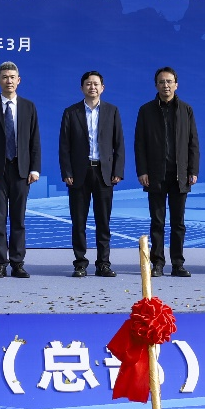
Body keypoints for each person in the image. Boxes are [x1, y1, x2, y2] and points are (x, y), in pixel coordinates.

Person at [133, 67, 200, 278]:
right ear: (156, 85)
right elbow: (140, 144)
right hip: (155, 175)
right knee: (157, 222)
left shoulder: (186, 110)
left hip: (180, 175)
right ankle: (158, 263)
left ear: (176, 85)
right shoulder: (146, 110)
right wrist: (142, 171)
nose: (166, 85)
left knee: (178, 223)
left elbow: (193, 143)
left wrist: (193, 170)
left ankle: (178, 264)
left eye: (169, 81)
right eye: (161, 82)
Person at [0, 61, 41, 278]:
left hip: (21, 171)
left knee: (18, 219)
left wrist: (35, 169)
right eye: (5, 77)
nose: (9, 81)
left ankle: (17, 263)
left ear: (19, 80)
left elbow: (34, 140)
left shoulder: (29, 107)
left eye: (12, 77)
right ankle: (0, 263)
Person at [58, 70, 124, 278]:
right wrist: (67, 171)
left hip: (104, 173)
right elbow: (64, 146)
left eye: (96, 84)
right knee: (79, 222)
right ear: (82, 88)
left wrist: (117, 171)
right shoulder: (71, 112)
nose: (92, 87)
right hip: (79, 174)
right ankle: (80, 263)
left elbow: (119, 144)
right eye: (88, 84)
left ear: (102, 88)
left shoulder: (112, 111)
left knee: (103, 222)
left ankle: (103, 263)